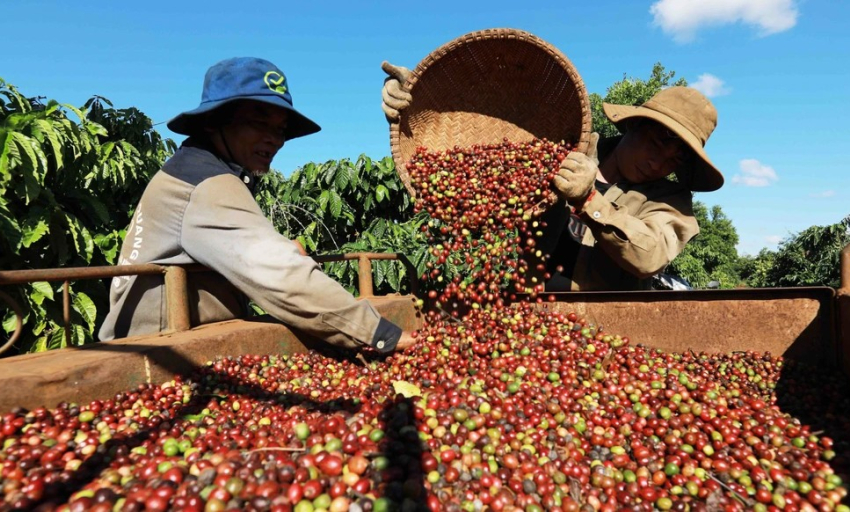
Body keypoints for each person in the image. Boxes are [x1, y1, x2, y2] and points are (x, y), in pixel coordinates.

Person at [99, 57, 413, 353]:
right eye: (258, 124)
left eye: (279, 130)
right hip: (158, 355)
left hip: (175, 343)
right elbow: (280, 275)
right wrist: (380, 334)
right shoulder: (204, 184)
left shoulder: (197, 171)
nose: (273, 140)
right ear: (212, 123)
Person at [381, 62, 724, 291]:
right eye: (657, 142)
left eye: (675, 158)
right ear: (635, 125)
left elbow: (649, 257)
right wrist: (422, 101)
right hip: (526, 304)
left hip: (607, 326)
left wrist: (590, 199)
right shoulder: (568, 146)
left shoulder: (672, 203)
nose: (659, 162)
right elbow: (484, 154)